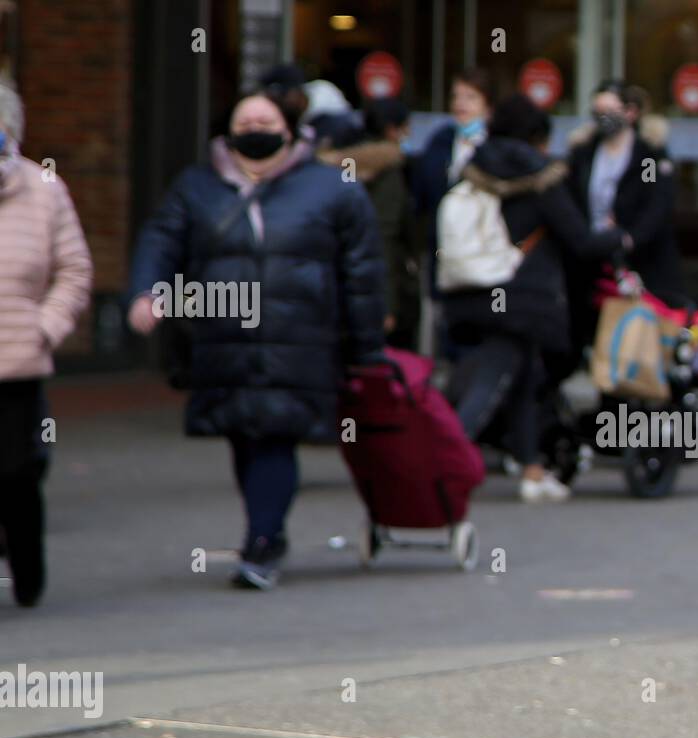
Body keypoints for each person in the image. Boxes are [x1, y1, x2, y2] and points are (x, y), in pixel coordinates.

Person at [127, 92, 385, 589]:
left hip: (300, 338)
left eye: (266, 119)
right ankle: (265, 533)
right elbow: (161, 239)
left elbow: (363, 271)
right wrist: (148, 292)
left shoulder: (331, 188)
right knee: (245, 435)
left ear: (290, 128)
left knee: (274, 434)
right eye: (246, 119)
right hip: (224, 335)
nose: (256, 127)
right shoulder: (197, 186)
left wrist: (366, 342)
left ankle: (263, 540)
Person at [442, 94, 627, 503]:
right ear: (535, 137)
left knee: (525, 379)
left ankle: (531, 471)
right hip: (521, 298)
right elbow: (580, 240)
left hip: (478, 287)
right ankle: (440, 467)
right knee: (489, 384)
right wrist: (617, 236)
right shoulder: (541, 176)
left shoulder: (474, 168)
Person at [0, 82, 93, 607]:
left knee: (17, 474)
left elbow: (74, 269)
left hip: (18, 361)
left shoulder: (43, 188)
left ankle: (27, 569)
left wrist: (46, 326)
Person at [564, 79, 685, 369]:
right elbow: (571, 199)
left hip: (641, 261)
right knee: (601, 336)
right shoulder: (584, 153)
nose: (603, 117)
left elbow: (657, 206)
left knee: (641, 339)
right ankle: (606, 405)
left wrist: (629, 237)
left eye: (610, 109)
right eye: (597, 110)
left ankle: (640, 405)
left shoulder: (648, 155)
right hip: (595, 259)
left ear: (630, 112)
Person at [319, 97, 422, 350]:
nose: (407, 134)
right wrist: (387, 305)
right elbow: (385, 236)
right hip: (374, 293)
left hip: (334, 289)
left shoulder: (332, 170)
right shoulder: (389, 172)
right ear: (391, 130)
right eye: (405, 127)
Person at [409, 68, 494, 359]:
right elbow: (421, 194)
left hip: (482, 254)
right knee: (446, 329)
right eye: (456, 96)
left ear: (488, 105)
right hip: (443, 251)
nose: (461, 104)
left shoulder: (496, 144)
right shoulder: (441, 140)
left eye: (471, 97)